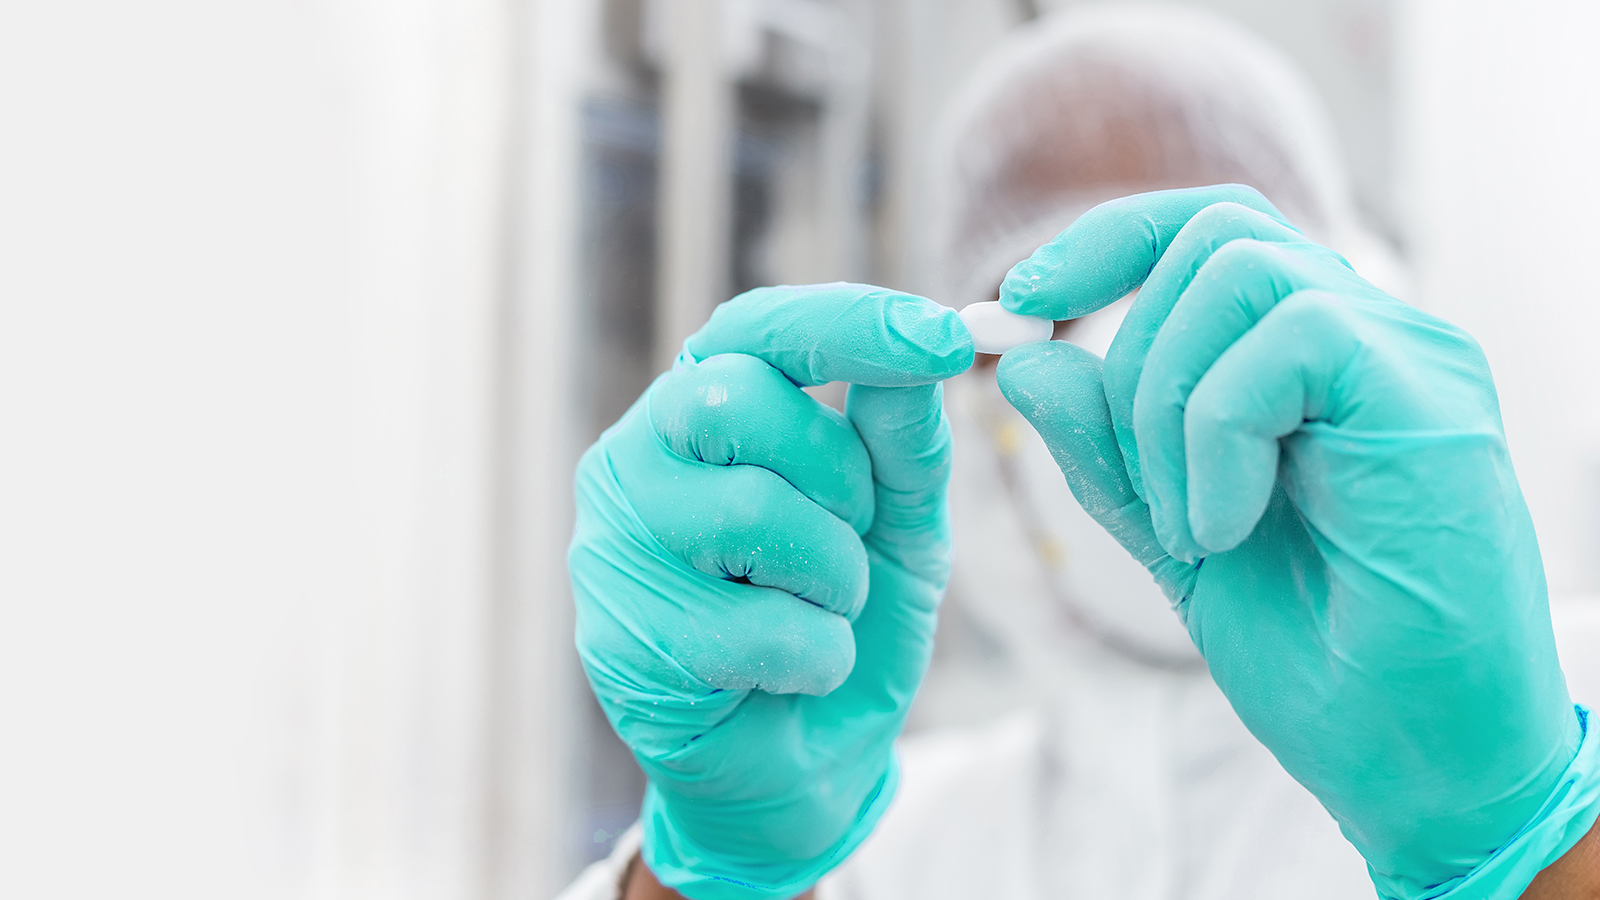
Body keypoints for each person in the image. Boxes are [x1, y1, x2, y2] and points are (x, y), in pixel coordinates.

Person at [559, 8, 1600, 900]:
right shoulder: (890, 858)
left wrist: (1528, 834)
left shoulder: (1555, 714)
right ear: (968, 411)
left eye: (1204, 302)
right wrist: (722, 874)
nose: (1142, 387)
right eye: (1044, 322)